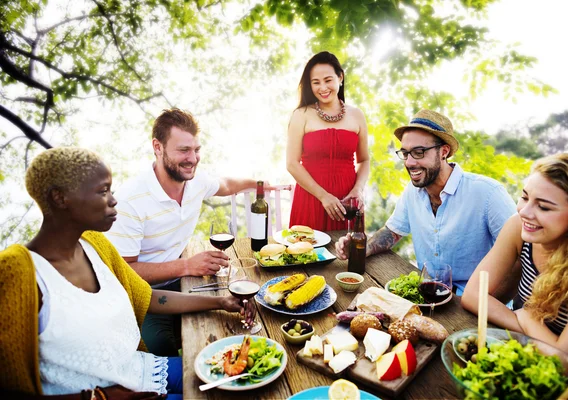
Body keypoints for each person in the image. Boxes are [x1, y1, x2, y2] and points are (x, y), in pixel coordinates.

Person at [0, 147, 249, 399]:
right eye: (102, 191)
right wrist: (100, 397)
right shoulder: (17, 273)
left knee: (245, 376)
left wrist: (220, 302)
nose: (113, 200)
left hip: (140, 371)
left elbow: (148, 297)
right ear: (60, 198)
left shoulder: (95, 244)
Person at [106, 108, 264, 356]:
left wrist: (260, 183)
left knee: (242, 315)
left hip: (185, 283)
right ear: (157, 147)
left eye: (196, 150)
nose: (193, 158)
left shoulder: (196, 181)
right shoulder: (130, 200)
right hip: (144, 294)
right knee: (161, 350)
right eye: (183, 150)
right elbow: (124, 273)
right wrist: (187, 267)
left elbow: (226, 185)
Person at [335, 109, 516, 292]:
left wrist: (483, 303)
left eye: (419, 152)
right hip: (428, 293)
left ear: (444, 152)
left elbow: (521, 256)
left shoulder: (488, 193)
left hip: (477, 301)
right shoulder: (412, 192)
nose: (409, 163)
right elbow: (392, 231)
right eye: (405, 153)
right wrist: (363, 248)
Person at [461, 153, 568, 392]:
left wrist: (528, 318)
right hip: (523, 352)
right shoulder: (519, 227)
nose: (525, 211)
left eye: (543, 206)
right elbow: (474, 295)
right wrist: (521, 320)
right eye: (524, 197)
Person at [286, 51, 370, 231]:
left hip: (347, 202)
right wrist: (323, 196)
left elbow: (364, 160)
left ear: (340, 77)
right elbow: (292, 164)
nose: (322, 87)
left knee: (348, 255)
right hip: (311, 198)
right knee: (306, 253)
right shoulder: (301, 115)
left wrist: (358, 190)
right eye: (316, 82)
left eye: (328, 80)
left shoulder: (357, 115)